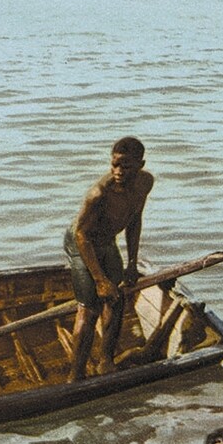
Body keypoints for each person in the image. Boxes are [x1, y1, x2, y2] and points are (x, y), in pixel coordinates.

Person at [64, 136, 154, 380]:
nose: (118, 171)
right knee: (89, 308)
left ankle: (106, 361)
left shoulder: (145, 183)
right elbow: (81, 235)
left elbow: (134, 220)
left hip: (107, 242)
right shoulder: (99, 194)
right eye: (114, 165)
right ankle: (76, 375)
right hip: (82, 243)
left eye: (125, 166)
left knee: (116, 301)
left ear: (140, 165)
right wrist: (100, 280)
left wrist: (133, 263)